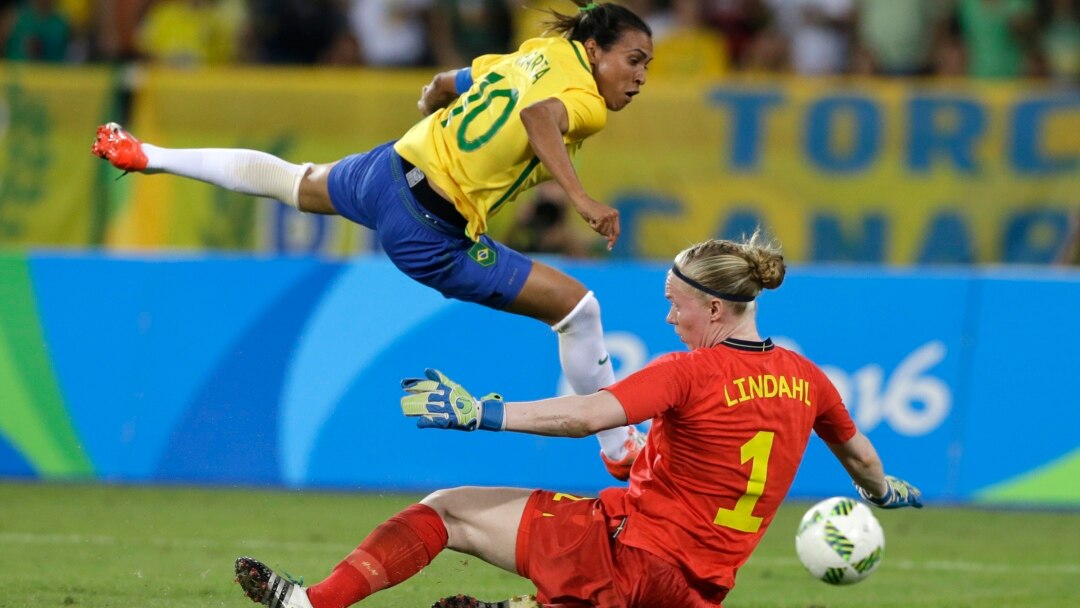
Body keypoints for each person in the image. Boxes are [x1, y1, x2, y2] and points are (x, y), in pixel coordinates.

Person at [91, 0, 653, 479]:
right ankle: (618, 448)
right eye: (632, 60)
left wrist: (436, 96)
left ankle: (149, 156)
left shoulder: (539, 52)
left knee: (294, 180)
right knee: (578, 310)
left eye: (647, 65)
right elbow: (538, 117)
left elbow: (454, 83)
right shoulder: (587, 104)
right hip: (431, 230)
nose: (640, 77)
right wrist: (582, 199)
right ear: (596, 50)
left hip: (388, 171)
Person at [232, 232, 923, 608]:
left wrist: (482, 414)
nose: (668, 315)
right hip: (698, 593)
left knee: (447, 513)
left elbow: (585, 414)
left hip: (630, 553)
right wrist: (883, 494)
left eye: (675, 302)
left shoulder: (689, 371)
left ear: (716, 310)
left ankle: (310, 607)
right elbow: (862, 459)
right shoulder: (807, 381)